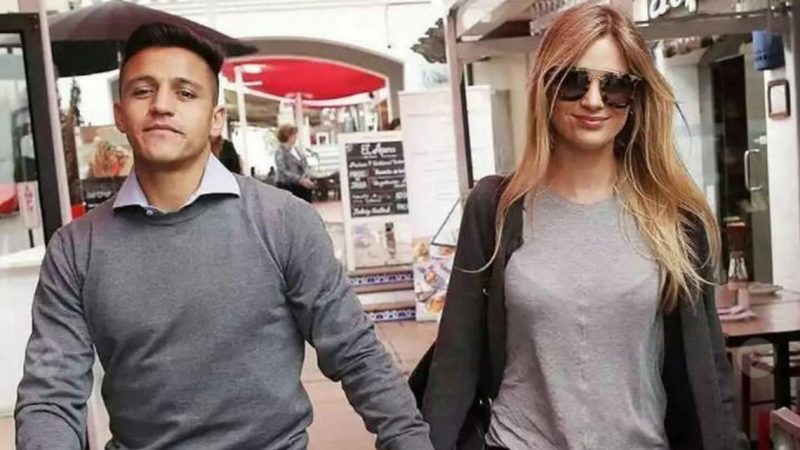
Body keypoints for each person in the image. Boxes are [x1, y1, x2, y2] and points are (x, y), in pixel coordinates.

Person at [15, 22, 434, 450]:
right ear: (120, 114)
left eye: (185, 93)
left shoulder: (283, 221)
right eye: (143, 91)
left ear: (216, 119)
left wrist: (408, 438)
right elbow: (51, 395)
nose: (161, 105)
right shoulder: (76, 248)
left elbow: (355, 350)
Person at [416, 4, 747, 450]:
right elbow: (455, 358)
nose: (593, 101)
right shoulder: (496, 209)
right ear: (545, 87)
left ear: (636, 98)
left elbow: (709, 369)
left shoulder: (676, 219)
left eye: (615, 86)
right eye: (574, 81)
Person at [274, 124, 315, 202]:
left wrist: (306, 176)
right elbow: (283, 170)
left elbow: (305, 164)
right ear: (287, 135)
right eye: (294, 135)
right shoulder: (279, 151)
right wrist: (300, 180)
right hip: (288, 186)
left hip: (302, 186)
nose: (296, 137)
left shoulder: (297, 150)